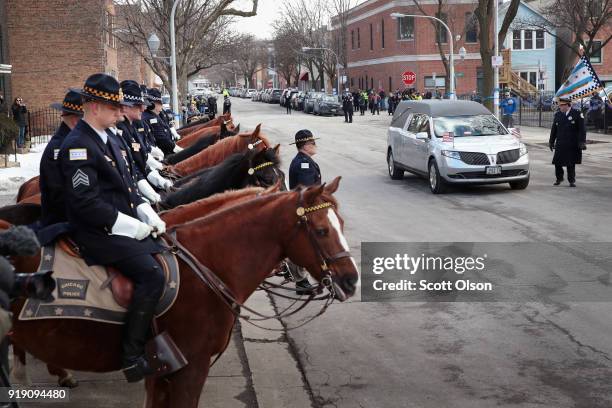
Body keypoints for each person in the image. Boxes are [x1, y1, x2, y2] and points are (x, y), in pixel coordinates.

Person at [60, 73, 167, 382]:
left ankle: (152, 342)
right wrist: (130, 226)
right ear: (93, 107)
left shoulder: (109, 137)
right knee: (151, 274)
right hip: (97, 232)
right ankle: (131, 356)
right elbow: (86, 204)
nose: (121, 112)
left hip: (118, 224)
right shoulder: (77, 146)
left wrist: (147, 212)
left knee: (168, 254)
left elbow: (128, 186)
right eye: (113, 106)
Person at [37, 91, 83, 245]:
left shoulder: (75, 141)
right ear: (77, 120)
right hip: (62, 220)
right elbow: (59, 195)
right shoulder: (59, 147)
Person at [117, 80, 172, 202]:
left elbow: (141, 160)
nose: (143, 108)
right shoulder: (121, 129)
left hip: (141, 181)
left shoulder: (131, 127)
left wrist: (160, 180)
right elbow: (131, 169)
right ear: (126, 106)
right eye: (138, 105)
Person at [288, 129, 321, 295]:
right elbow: (308, 193)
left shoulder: (304, 160)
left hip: (303, 209)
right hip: (304, 210)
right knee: (302, 245)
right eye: (313, 142)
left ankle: (298, 276)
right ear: (306, 145)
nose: (315, 145)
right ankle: (300, 281)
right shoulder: (303, 164)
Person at [549, 97, 586, 187]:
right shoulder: (558, 115)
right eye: (560, 105)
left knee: (570, 163)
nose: (560, 107)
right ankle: (559, 178)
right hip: (560, 143)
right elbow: (554, 130)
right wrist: (551, 141)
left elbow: (582, 130)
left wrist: (582, 141)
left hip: (572, 143)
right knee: (557, 162)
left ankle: (571, 180)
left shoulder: (577, 114)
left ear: (568, 105)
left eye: (562, 105)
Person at [141, 88, 181, 157]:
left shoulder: (156, 115)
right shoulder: (151, 117)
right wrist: (175, 148)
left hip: (165, 150)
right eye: (159, 103)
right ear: (153, 104)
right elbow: (161, 138)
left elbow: (166, 127)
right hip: (162, 153)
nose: (161, 106)